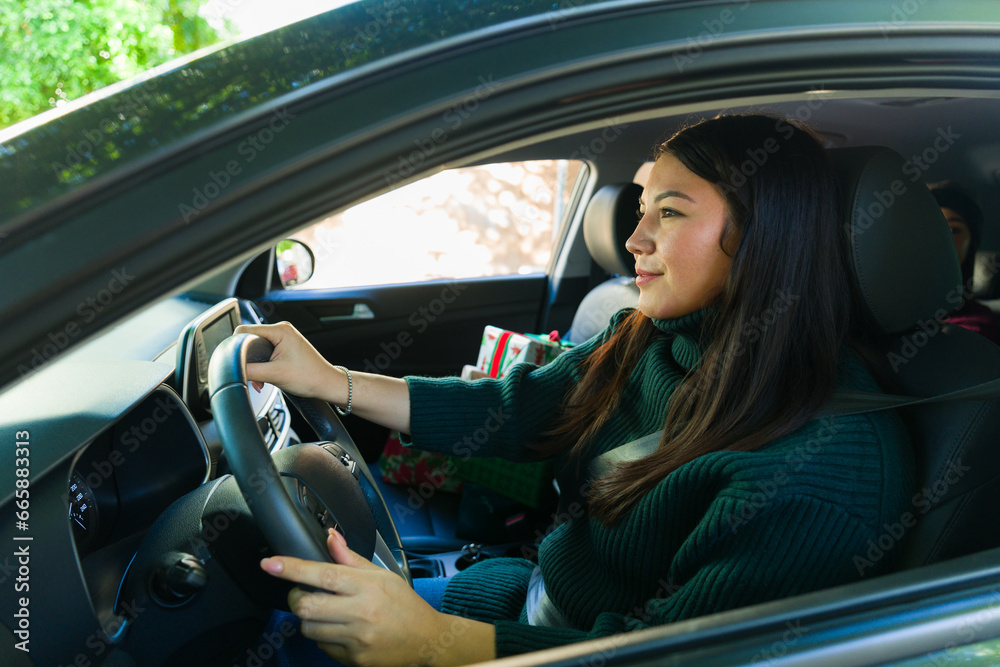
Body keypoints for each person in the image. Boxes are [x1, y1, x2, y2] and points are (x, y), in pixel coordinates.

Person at [236, 114, 914, 667]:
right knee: (262, 614)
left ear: (763, 235)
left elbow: (671, 658)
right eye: (643, 208)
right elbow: (512, 407)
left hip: (545, 646)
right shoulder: (654, 334)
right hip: (518, 604)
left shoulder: (821, 468)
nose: (635, 237)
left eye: (670, 214)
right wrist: (333, 381)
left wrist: (428, 643)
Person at [928, 181, 1000, 345]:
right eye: (932, 227)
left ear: (972, 243)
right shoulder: (884, 305)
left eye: (954, 230)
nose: (942, 237)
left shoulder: (977, 326)